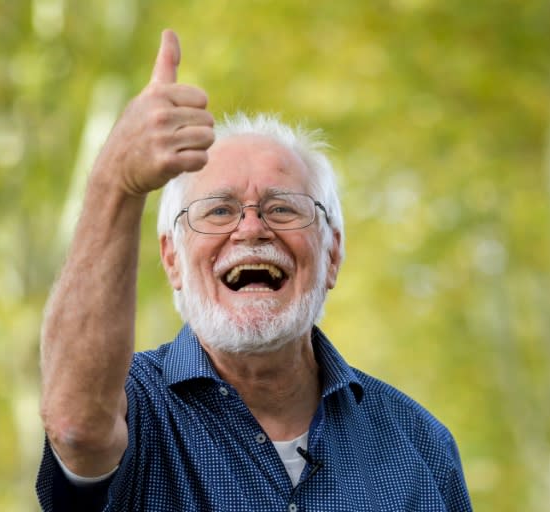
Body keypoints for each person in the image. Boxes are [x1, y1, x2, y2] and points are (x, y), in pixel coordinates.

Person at [36, 29, 473, 511]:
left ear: (331, 255)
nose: (251, 229)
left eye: (283, 208)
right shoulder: (135, 408)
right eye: (219, 211)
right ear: (172, 259)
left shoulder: (421, 448)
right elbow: (76, 426)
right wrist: (117, 182)